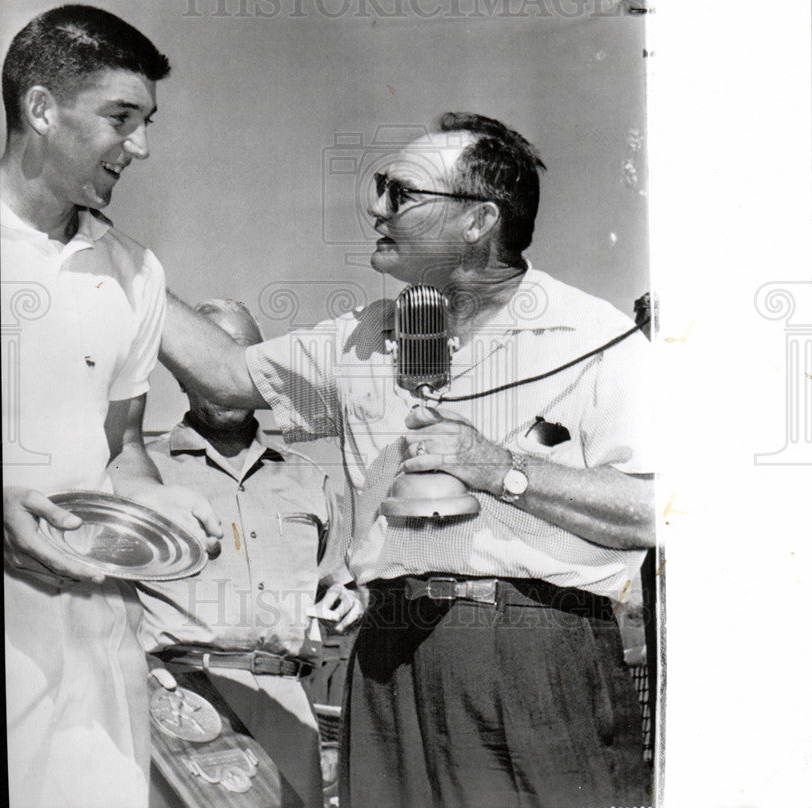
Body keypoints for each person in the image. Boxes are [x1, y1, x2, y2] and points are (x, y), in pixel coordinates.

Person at [160, 112, 656, 808]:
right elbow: (222, 375)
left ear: (478, 220)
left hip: (530, 652)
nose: (374, 207)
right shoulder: (365, 336)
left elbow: (655, 513)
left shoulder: (594, 337)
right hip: (387, 655)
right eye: (376, 187)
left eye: (400, 192)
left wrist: (501, 470)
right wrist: (119, 265)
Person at [0, 4, 223, 808]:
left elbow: (120, 445)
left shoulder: (136, 271)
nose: (141, 146)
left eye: (147, 121)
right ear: (40, 108)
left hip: (96, 630)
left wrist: (151, 498)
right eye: (120, 118)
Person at [137, 297, 360, 808]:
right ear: (182, 376)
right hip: (179, 697)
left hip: (286, 701)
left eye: (240, 356)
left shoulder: (310, 479)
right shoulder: (144, 478)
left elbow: (342, 585)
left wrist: (352, 598)